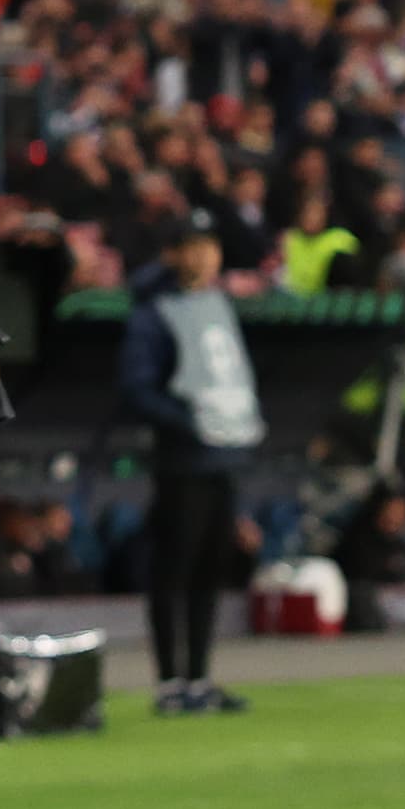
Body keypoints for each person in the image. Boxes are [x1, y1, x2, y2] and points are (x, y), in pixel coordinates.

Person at [119, 219, 262, 714]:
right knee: (174, 569)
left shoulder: (216, 305)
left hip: (222, 454)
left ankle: (199, 677)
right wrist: (190, 420)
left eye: (211, 246)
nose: (204, 258)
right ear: (173, 253)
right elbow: (137, 387)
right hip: (182, 458)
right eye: (194, 247)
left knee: (209, 569)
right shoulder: (155, 312)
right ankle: (169, 681)